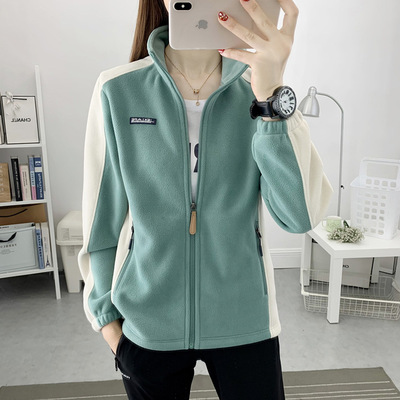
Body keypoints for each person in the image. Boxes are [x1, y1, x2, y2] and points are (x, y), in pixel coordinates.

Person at [78, 0, 332, 398]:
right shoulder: (118, 89)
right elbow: (101, 220)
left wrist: (271, 98)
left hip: (244, 320)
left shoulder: (258, 91)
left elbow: (299, 216)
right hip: (147, 326)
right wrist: (109, 325)